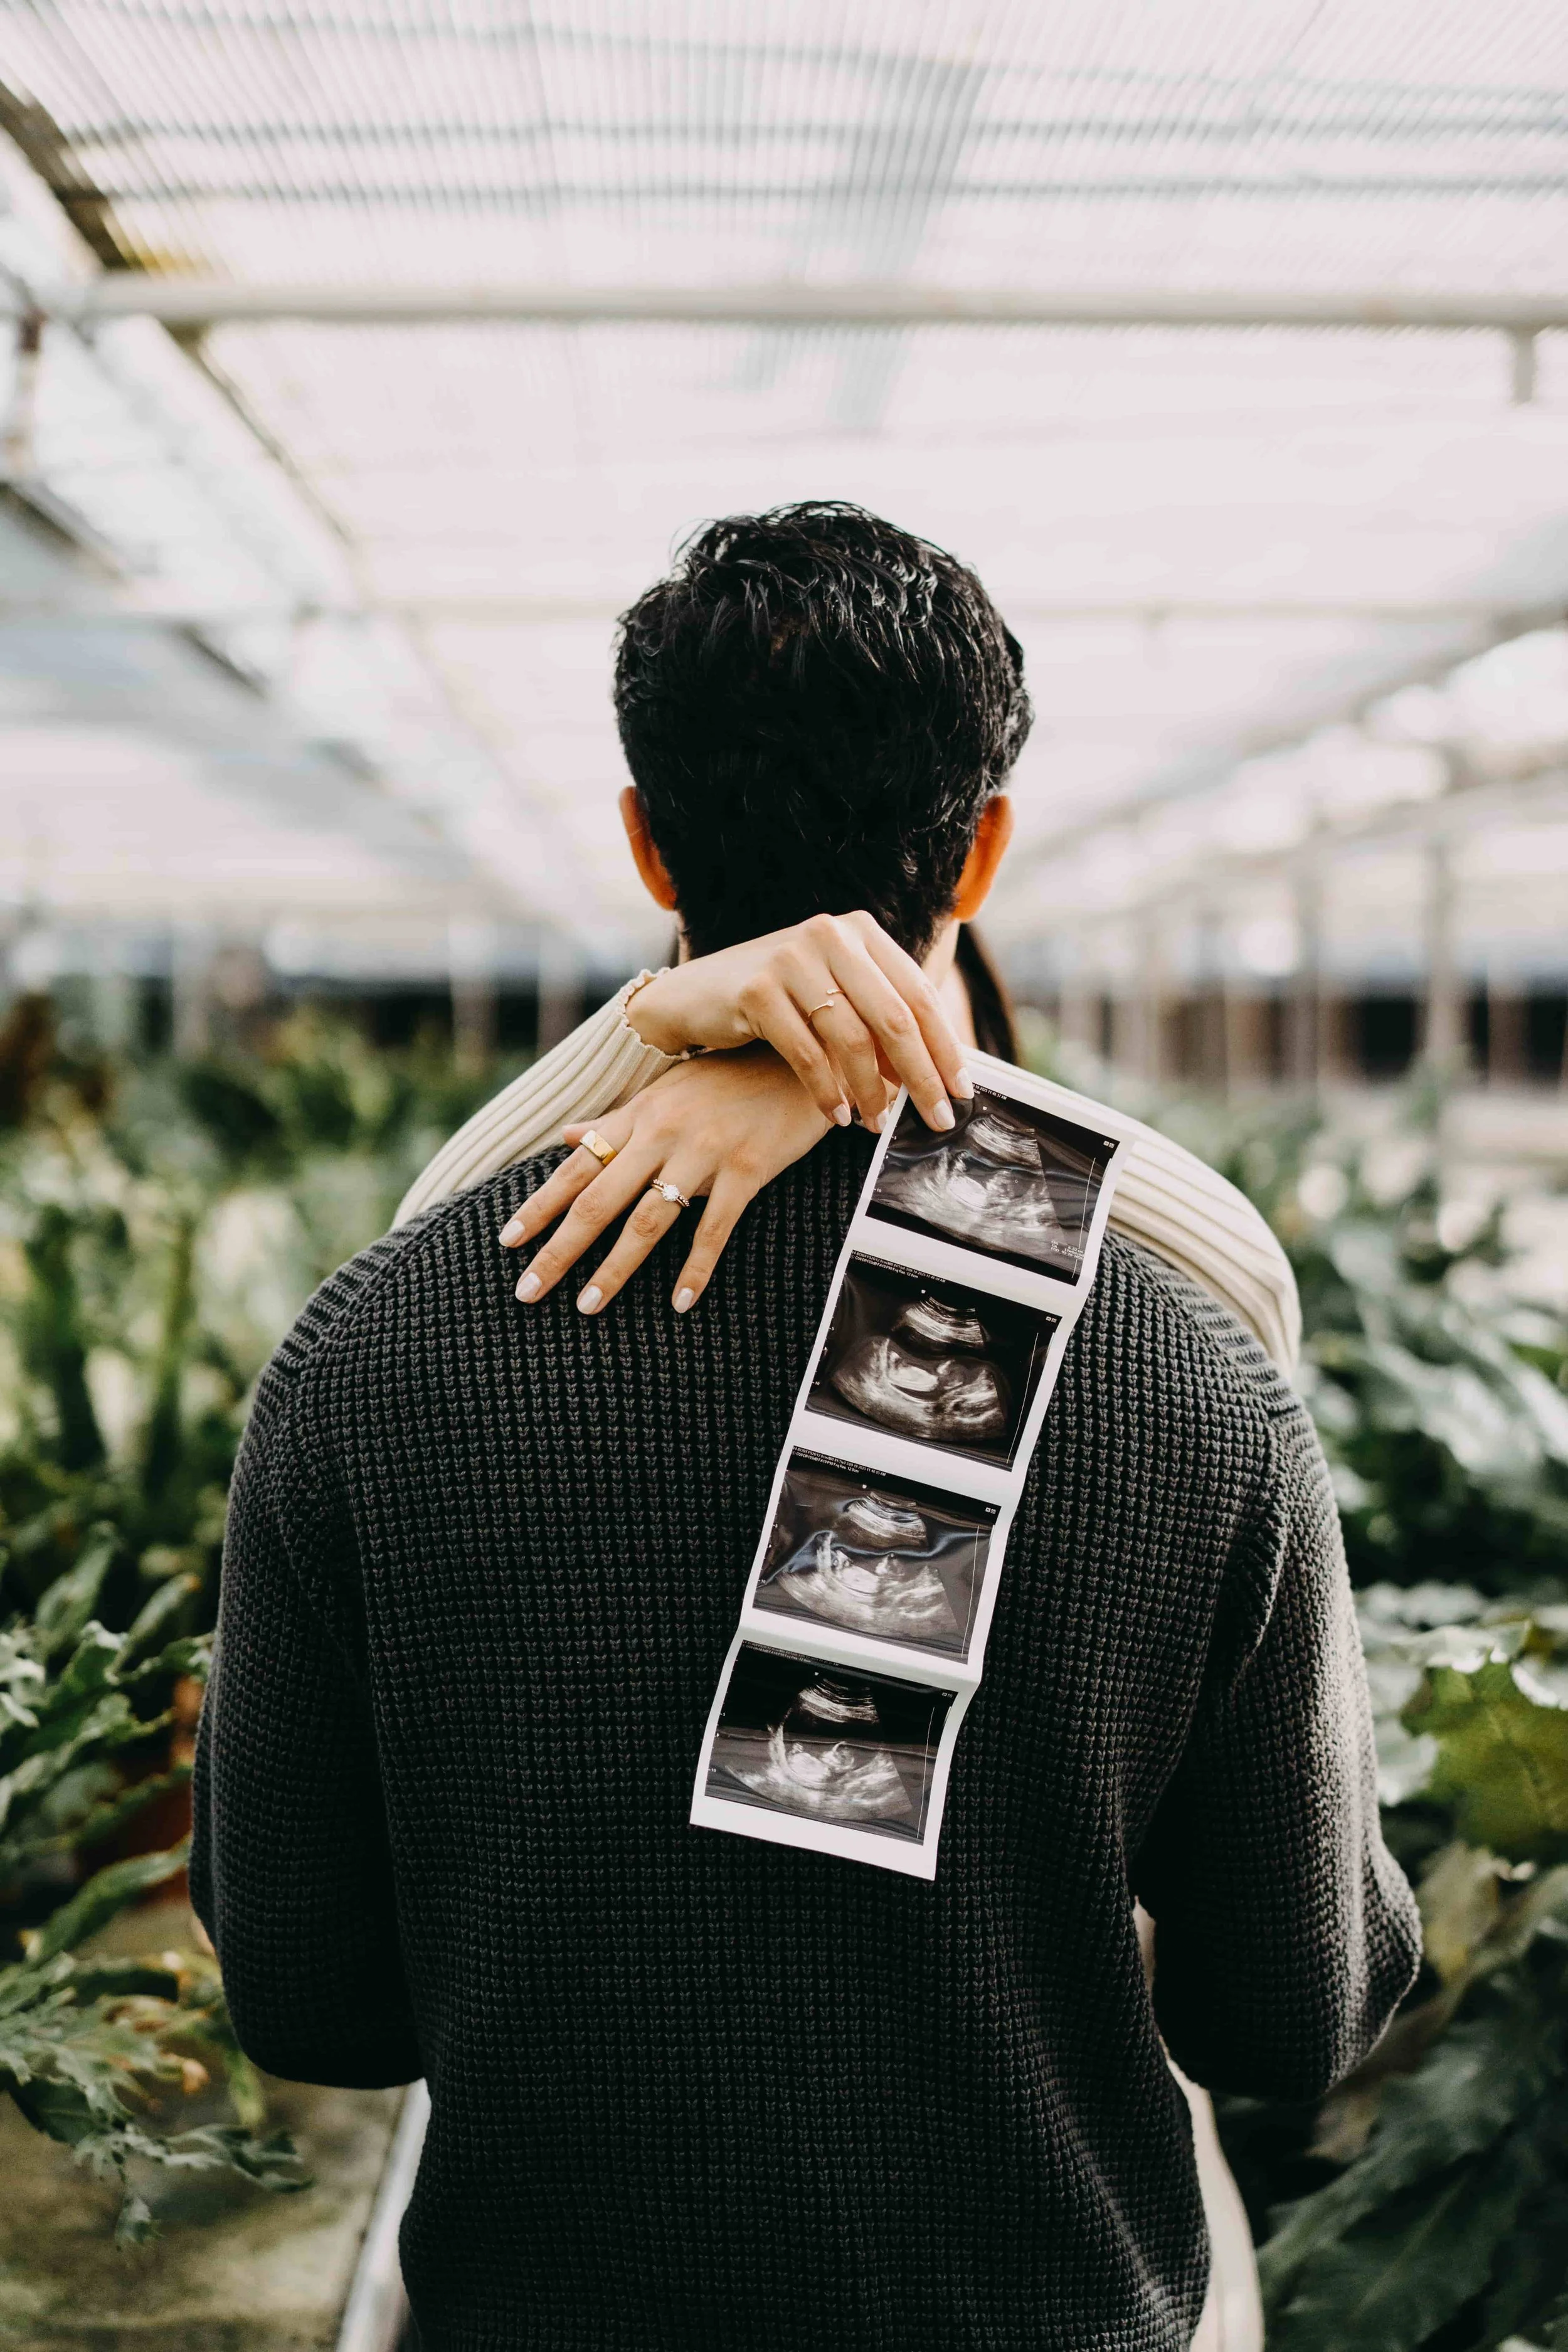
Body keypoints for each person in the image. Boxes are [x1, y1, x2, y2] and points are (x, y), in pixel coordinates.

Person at [192, 504, 1419, 2352]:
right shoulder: (1190, 1370)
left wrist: (664, 1039)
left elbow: (310, 1998)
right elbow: (1287, 2009)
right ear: (987, 843)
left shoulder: (372, 1358)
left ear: (639, 835)